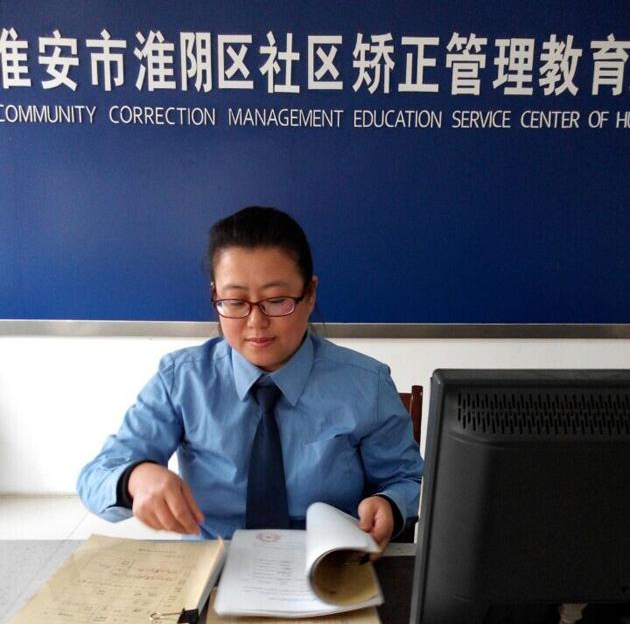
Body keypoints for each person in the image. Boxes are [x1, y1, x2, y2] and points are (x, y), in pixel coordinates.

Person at [77, 206, 422, 553]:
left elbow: (408, 479)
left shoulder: (366, 384)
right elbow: (95, 477)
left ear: (310, 294)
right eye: (235, 301)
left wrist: (390, 504)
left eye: (277, 300)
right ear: (215, 296)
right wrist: (134, 478)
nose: (256, 322)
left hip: (328, 564)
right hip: (214, 563)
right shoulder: (182, 380)